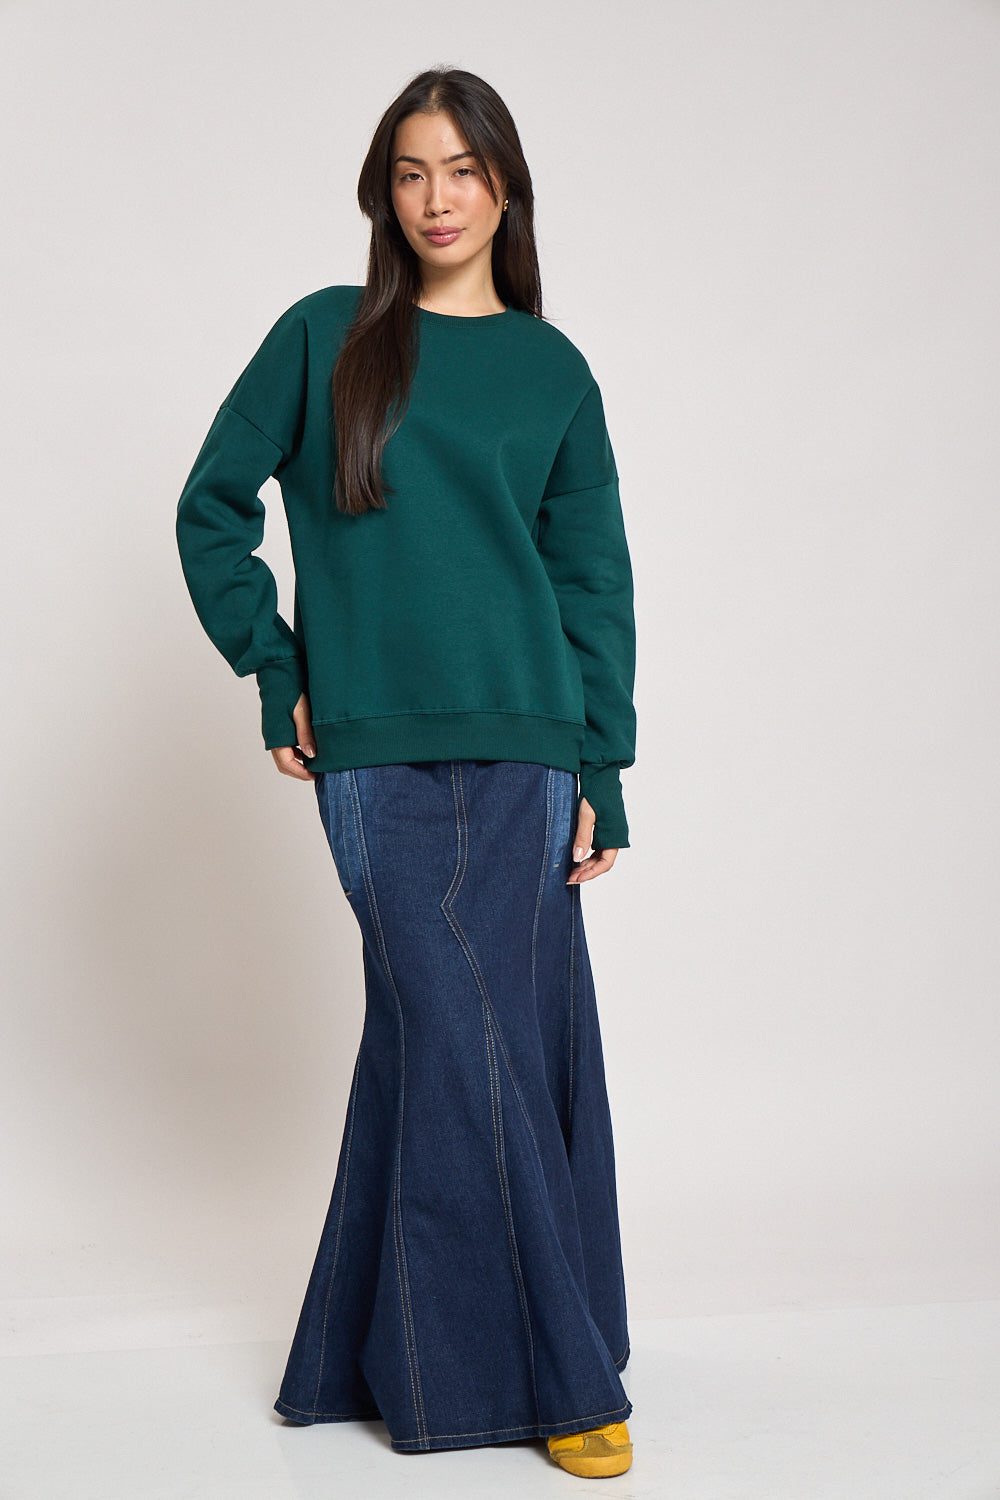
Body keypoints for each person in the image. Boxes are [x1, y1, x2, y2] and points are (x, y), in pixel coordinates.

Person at [175, 66, 637, 1479]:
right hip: (375, 751)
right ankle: (557, 1374)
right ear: (384, 191)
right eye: (412, 172)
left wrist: (604, 766)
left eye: (464, 170)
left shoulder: (552, 371)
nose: (438, 199)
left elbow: (591, 583)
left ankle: (363, 1355)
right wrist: (274, 665)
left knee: (463, 1039)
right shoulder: (326, 336)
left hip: (529, 748)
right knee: (460, 1032)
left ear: (507, 187)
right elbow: (210, 506)